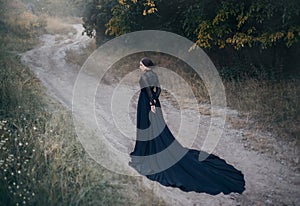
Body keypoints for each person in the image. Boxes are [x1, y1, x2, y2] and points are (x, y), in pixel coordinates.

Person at [129, 57, 245, 195]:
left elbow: (148, 92)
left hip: (146, 105)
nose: (139, 66)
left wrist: (151, 103)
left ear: (144, 65)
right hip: (154, 104)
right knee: (156, 128)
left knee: (146, 127)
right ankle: (150, 149)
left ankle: (146, 152)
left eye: (140, 64)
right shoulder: (154, 75)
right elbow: (158, 89)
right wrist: (155, 100)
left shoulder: (144, 77)